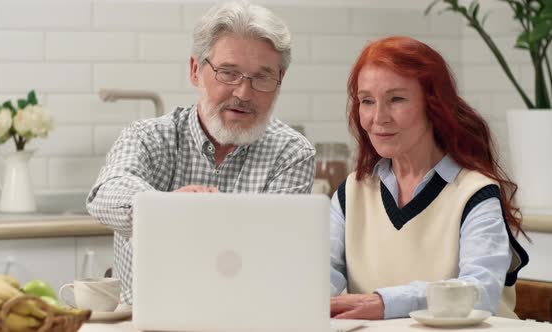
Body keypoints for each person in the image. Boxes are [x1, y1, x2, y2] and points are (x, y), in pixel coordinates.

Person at [86, 0, 315, 305]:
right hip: (147, 320)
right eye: (228, 73)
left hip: (246, 318)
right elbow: (105, 195)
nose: (243, 93)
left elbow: (274, 254)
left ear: (280, 81)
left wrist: (184, 221)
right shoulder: (148, 137)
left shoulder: (292, 153)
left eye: (261, 77)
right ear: (196, 71)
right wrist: (169, 207)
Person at [329, 36, 528, 320]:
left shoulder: (476, 193)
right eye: (367, 101)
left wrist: (386, 303)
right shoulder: (351, 193)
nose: (378, 117)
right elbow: (320, 277)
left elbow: (479, 293)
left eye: (396, 99)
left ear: (434, 105)